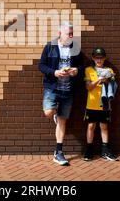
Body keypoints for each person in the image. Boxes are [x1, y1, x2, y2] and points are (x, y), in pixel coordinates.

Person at [38, 21, 84, 166]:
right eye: (68, 34)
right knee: (48, 113)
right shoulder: (50, 46)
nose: (71, 36)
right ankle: (55, 114)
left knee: (63, 120)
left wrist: (77, 70)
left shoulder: (75, 47)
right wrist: (54, 72)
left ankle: (58, 152)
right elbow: (41, 65)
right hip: (52, 88)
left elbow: (82, 66)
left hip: (68, 90)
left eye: (72, 33)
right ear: (60, 34)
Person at [83, 47, 118, 161]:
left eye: (101, 58)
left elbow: (111, 82)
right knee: (91, 126)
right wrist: (100, 79)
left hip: (104, 104)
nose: (99, 60)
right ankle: (88, 151)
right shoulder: (88, 70)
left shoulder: (109, 70)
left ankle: (105, 151)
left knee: (104, 126)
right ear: (93, 58)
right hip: (92, 103)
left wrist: (106, 77)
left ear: (104, 58)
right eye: (96, 58)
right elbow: (88, 87)